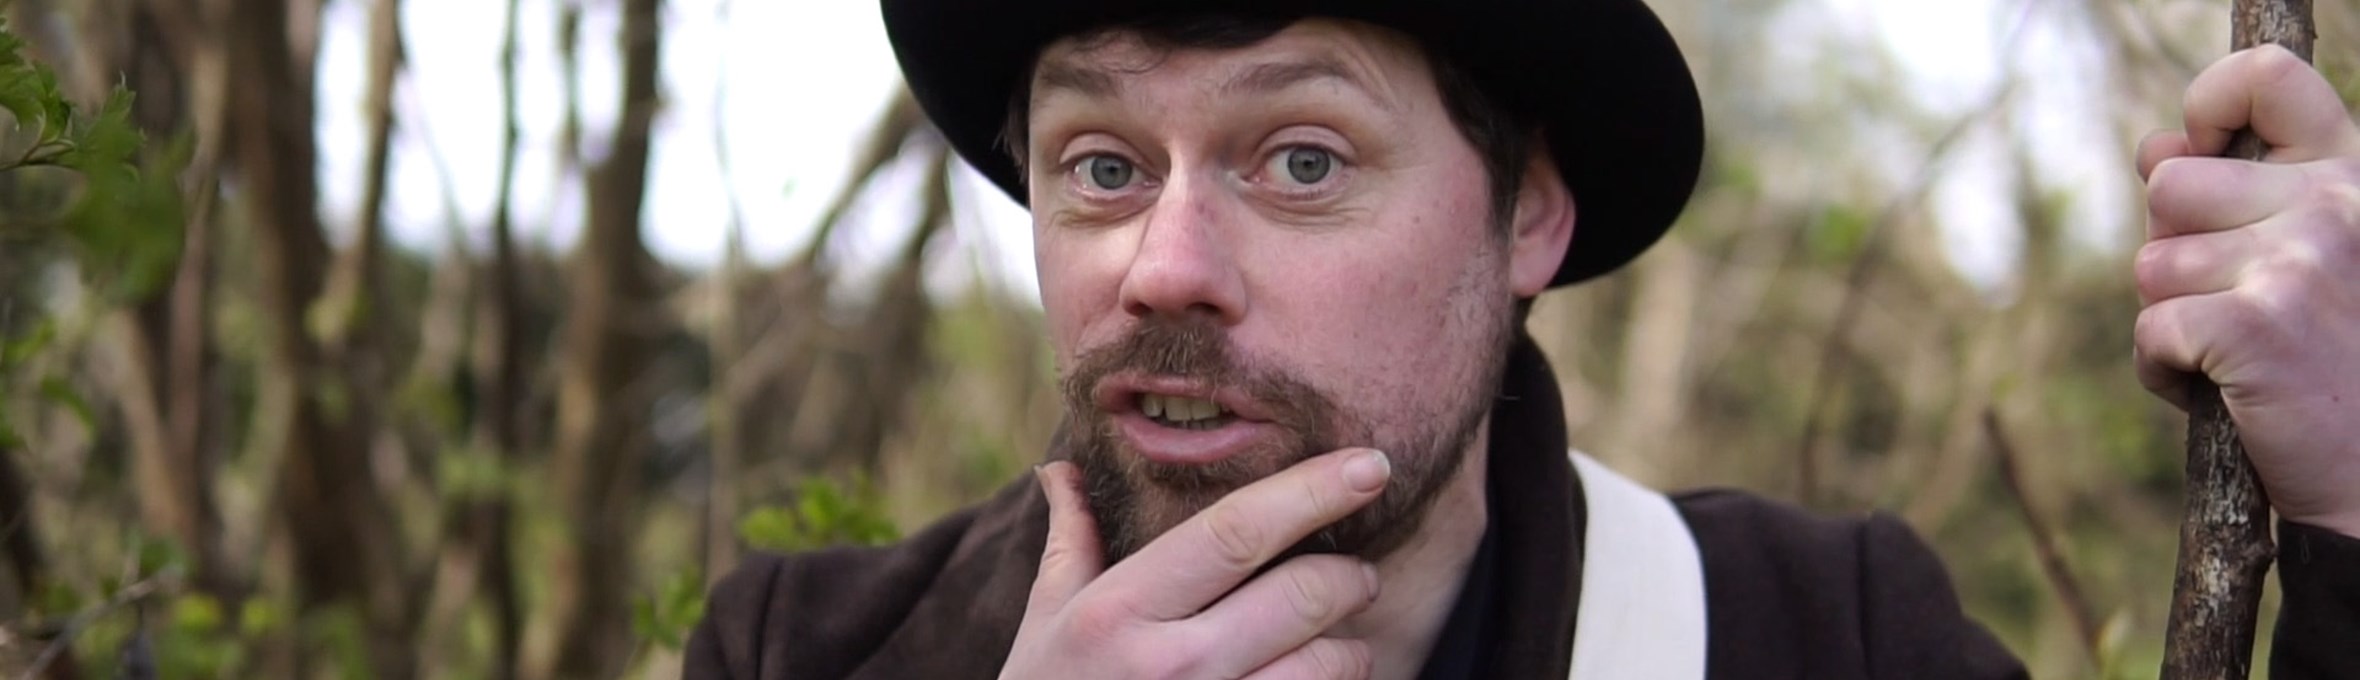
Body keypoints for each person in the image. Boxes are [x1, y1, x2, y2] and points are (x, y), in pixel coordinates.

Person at [686, 0, 2360, 677]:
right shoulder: (811, 650)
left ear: (1530, 220)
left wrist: (2352, 500)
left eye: (1304, 157)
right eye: (1102, 167)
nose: (1164, 267)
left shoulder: (1816, 640)